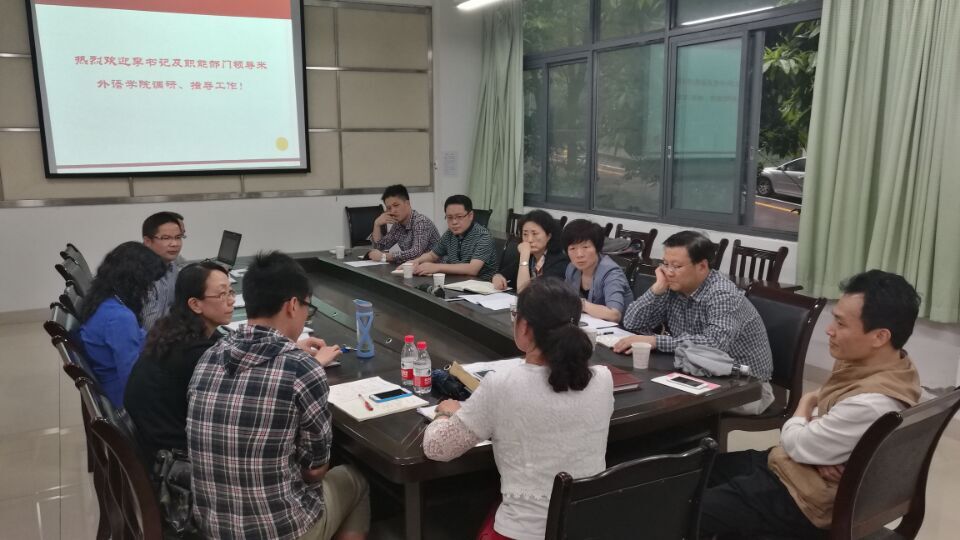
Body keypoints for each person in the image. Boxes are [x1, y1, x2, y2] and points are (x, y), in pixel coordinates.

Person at [699, 270, 922, 539]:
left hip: (803, 501)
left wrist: (805, 404)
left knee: (688, 510)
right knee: (696, 472)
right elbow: (813, 435)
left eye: (841, 323)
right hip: (791, 468)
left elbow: (797, 442)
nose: (829, 330)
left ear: (880, 337)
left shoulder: (871, 403)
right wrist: (821, 445)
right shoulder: (894, 366)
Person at [188, 251, 369, 540]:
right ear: (293, 305)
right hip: (279, 530)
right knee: (355, 481)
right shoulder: (301, 369)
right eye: (307, 308)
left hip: (213, 528)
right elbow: (315, 471)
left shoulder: (210, 356)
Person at [423, 277, 614, 540]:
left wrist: (446, 412)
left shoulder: (503, 384)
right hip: (586, 527)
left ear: (524, 326)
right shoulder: (603, 378)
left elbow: (437, 448)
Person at [613, 231, 774, 412]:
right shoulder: (672, 287)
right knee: (642, 392)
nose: (669, 272)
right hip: (698, 371)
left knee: (664, 405)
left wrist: (656, 341)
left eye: (677, 266)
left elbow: (714, 344)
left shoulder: (722, 294)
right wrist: (656, 289)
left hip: (746, 386)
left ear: (702, 266)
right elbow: (632, 323)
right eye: (665, 264)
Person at [124, 262, 235, 461]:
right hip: (174, 456)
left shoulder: (174, 328)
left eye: (230, 292)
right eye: (221, 295)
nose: (231, 301)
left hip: (158, 437)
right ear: (195, 304)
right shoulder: (195, 354)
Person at [79, 241, 167, 408]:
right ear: (136, 281)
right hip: (125, 397)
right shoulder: (120, 318)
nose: (149, 289)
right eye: (148, 283)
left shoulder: (104, 300)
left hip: (113, 382)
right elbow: (132, 379)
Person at [410, 195, 497, 280]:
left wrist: (436, 267)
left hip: (481, 285)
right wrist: (416, 261)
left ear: (470, 215)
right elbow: (432, 255)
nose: (454, 222)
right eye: (449, 217)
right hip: (456, 282)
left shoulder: (483, 236)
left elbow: (472, 269)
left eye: (459, 217)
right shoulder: (449, 234)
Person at [562, 219, 633, 323]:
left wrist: (580, 304)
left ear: (597, 248)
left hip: (618, 329)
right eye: (572, 248)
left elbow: (614, 314)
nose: (579, 254)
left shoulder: (611, 272)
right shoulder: (572, 268)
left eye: (585, 247)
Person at [492, 210, 569, 292]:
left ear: (549, 236)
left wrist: (524, 258)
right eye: (525, 234)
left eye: (535, 234)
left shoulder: (559, 261)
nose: (529, 240)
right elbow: (502, 274)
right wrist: (497, 277)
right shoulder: (531, 256)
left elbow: (524, 291)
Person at [366, 184, 440, 264]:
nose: (392, 211)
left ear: (407, 203)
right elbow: (379, 248)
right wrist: (377, 224)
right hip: (415, 268)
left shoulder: (421, 222)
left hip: (436, 268)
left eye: (396, 205)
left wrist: (384, 256)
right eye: (389, 208)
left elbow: (416, 253)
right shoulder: (397, 225)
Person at [142, 211, 187, 330]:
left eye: (178, 237)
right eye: (166, 238)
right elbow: (151, 328)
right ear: (147, 241)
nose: (175, 244)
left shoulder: (172, 265)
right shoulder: (142, 274)